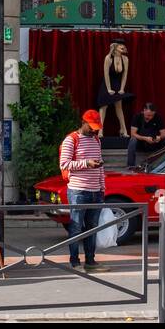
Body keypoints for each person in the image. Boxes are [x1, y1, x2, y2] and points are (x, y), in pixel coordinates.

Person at [60, 109, 106, 272]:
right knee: (76, 227)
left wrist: (102, 188)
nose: (94, 130)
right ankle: (74, 262)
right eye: (91, 126)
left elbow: (100, 166)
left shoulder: (96, 140)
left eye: (96, 127)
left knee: (92, 227)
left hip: (96, 191)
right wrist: (86, 163)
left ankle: (90, 261)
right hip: (78, 190)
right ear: (83, 122)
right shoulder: (71, 140)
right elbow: (64, 164)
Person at [96, 40, 132, 137]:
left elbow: (125, 75)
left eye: (124, 45)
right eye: (121, 45)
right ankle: (100, 130)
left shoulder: (125, 59)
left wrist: (122, 89)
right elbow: (106, 74)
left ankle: (123, 130)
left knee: (119, 106)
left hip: (117, 83)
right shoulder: (108, 58)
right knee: (104, 106)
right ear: (115, 46)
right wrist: (108, 89)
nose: (123, 47)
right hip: (107, 84)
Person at [127, 102, 165, 167]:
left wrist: (159, 137)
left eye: (152, 115)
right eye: (148, 115)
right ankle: (130, 165)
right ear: (144, 111)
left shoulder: (158, 117)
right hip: (141, 143)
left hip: (155, 142)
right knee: (132, 140)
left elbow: (164, 133)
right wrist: (145, 138)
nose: (150, 117)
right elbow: (133, 134)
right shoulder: (137, 117)